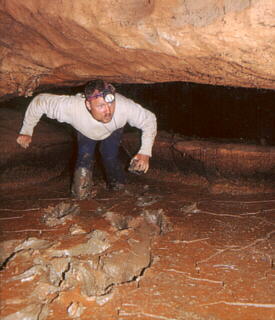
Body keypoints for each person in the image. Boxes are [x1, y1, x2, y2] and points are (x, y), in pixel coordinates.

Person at [17, 80, 157, 199]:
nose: (108, 111)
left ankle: (118, 188)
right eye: (101, 106)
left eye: (111, 104)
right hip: (85, 130)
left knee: (109, 155)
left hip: (113, 130)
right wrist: (27, 130)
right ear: (88, 105)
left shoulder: (124, 106)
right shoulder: (72, 107)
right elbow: (39, 102)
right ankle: (81, 195)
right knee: (85, 155)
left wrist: (145, 151)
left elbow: (149, 119)